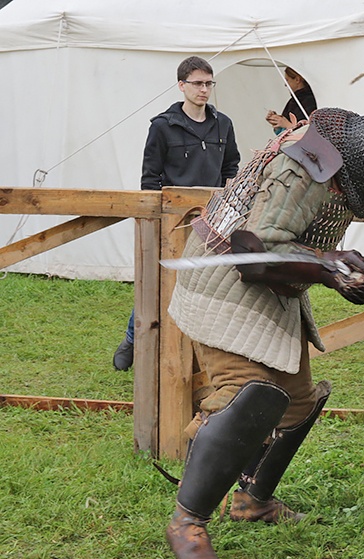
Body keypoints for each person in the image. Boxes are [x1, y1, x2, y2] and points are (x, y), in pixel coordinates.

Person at [163, 102, 364, 559]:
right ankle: (187, 523)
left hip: (270, 288)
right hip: (227, 284)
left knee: (296, 403)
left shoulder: (337, 161)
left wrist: (334, 268)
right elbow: (256, 246)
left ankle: (251, 501)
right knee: (250, 395)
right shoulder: (305, 164)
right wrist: (331, 266)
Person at [113, 56, 241, 371]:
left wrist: (226, 207)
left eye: (209, 83)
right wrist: (154, 219)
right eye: (198, 83)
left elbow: (231, 167)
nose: (204, 89)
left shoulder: (223, 123)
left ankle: (202, 352)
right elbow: (150, 178)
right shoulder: (162, 126)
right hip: (172, 220)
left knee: (208, 283)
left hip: (210, 220)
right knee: (160, 281)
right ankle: (132, 339)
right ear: (181, 85)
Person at [265, 67, 318, 134]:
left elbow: (308, 131)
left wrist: (287, 125)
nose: (285, 84)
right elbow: (283, 132)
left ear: (297, 80)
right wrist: (277, 122)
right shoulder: (294, 101)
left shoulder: (310, 100)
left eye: (287, 80)